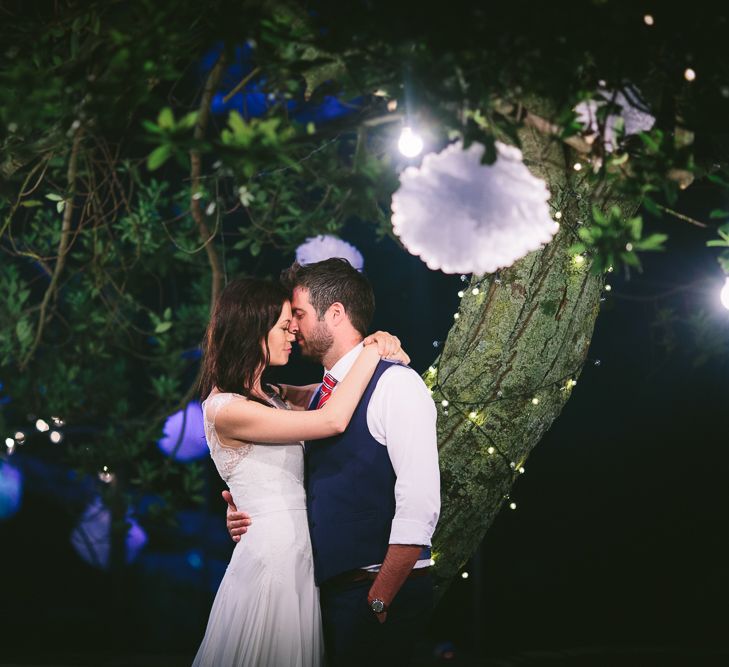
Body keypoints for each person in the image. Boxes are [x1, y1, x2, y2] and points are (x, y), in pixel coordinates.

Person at [225, 259, 441, 666]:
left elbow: (421, 502)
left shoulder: (396, 384)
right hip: (325, 593)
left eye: (300, 315)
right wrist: (248, 504)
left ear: (336, 313)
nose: (292, 327)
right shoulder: (320, 394)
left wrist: (379, 598)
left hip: (376, 588)